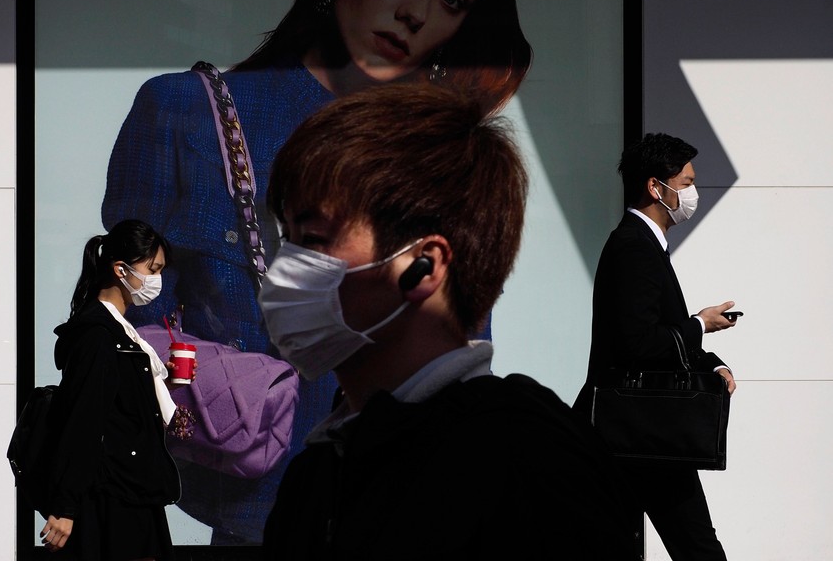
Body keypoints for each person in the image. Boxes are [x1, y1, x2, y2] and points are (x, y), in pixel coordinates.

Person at [101, 0, 532, 544]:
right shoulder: (186, 113)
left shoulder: (448, 154)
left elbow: (462, 349)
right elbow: (122, 335)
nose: (415, 10)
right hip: (252, 508)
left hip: (405, 510)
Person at [259, 83, 636, 559]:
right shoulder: (317, 471)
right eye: (286, 239)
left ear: (424, 265)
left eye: (312, 238)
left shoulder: (524, 457)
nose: (284, 267)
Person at [573, 132, 737, 560]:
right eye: (685, 184)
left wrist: (710, 362)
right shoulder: (634, 247)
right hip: (642, 429)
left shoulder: (642, 245)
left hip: (635, 430)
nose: (692, 194)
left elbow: (654, 332)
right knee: (698, 546)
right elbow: (639, 342)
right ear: (655, 187)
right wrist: (700, 324)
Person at [40, 219, 188, 560]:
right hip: (114, 496)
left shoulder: (123, 334)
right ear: (120, 270)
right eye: (152, 269)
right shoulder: (99, 335)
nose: (157, 281)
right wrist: (66, 505)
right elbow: (84, 419)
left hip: (134, 488)